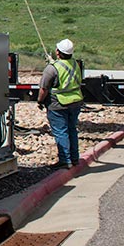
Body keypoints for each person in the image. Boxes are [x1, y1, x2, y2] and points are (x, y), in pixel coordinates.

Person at [38, 39, 84, 169]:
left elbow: (44, 89)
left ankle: (65, 160)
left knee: (61, 132)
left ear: (58, 52)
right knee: (71, 129)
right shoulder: (75, 64)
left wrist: (40, 101)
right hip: (75, 102)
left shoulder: (52, 68)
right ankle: (74, 159)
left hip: (58, 104)